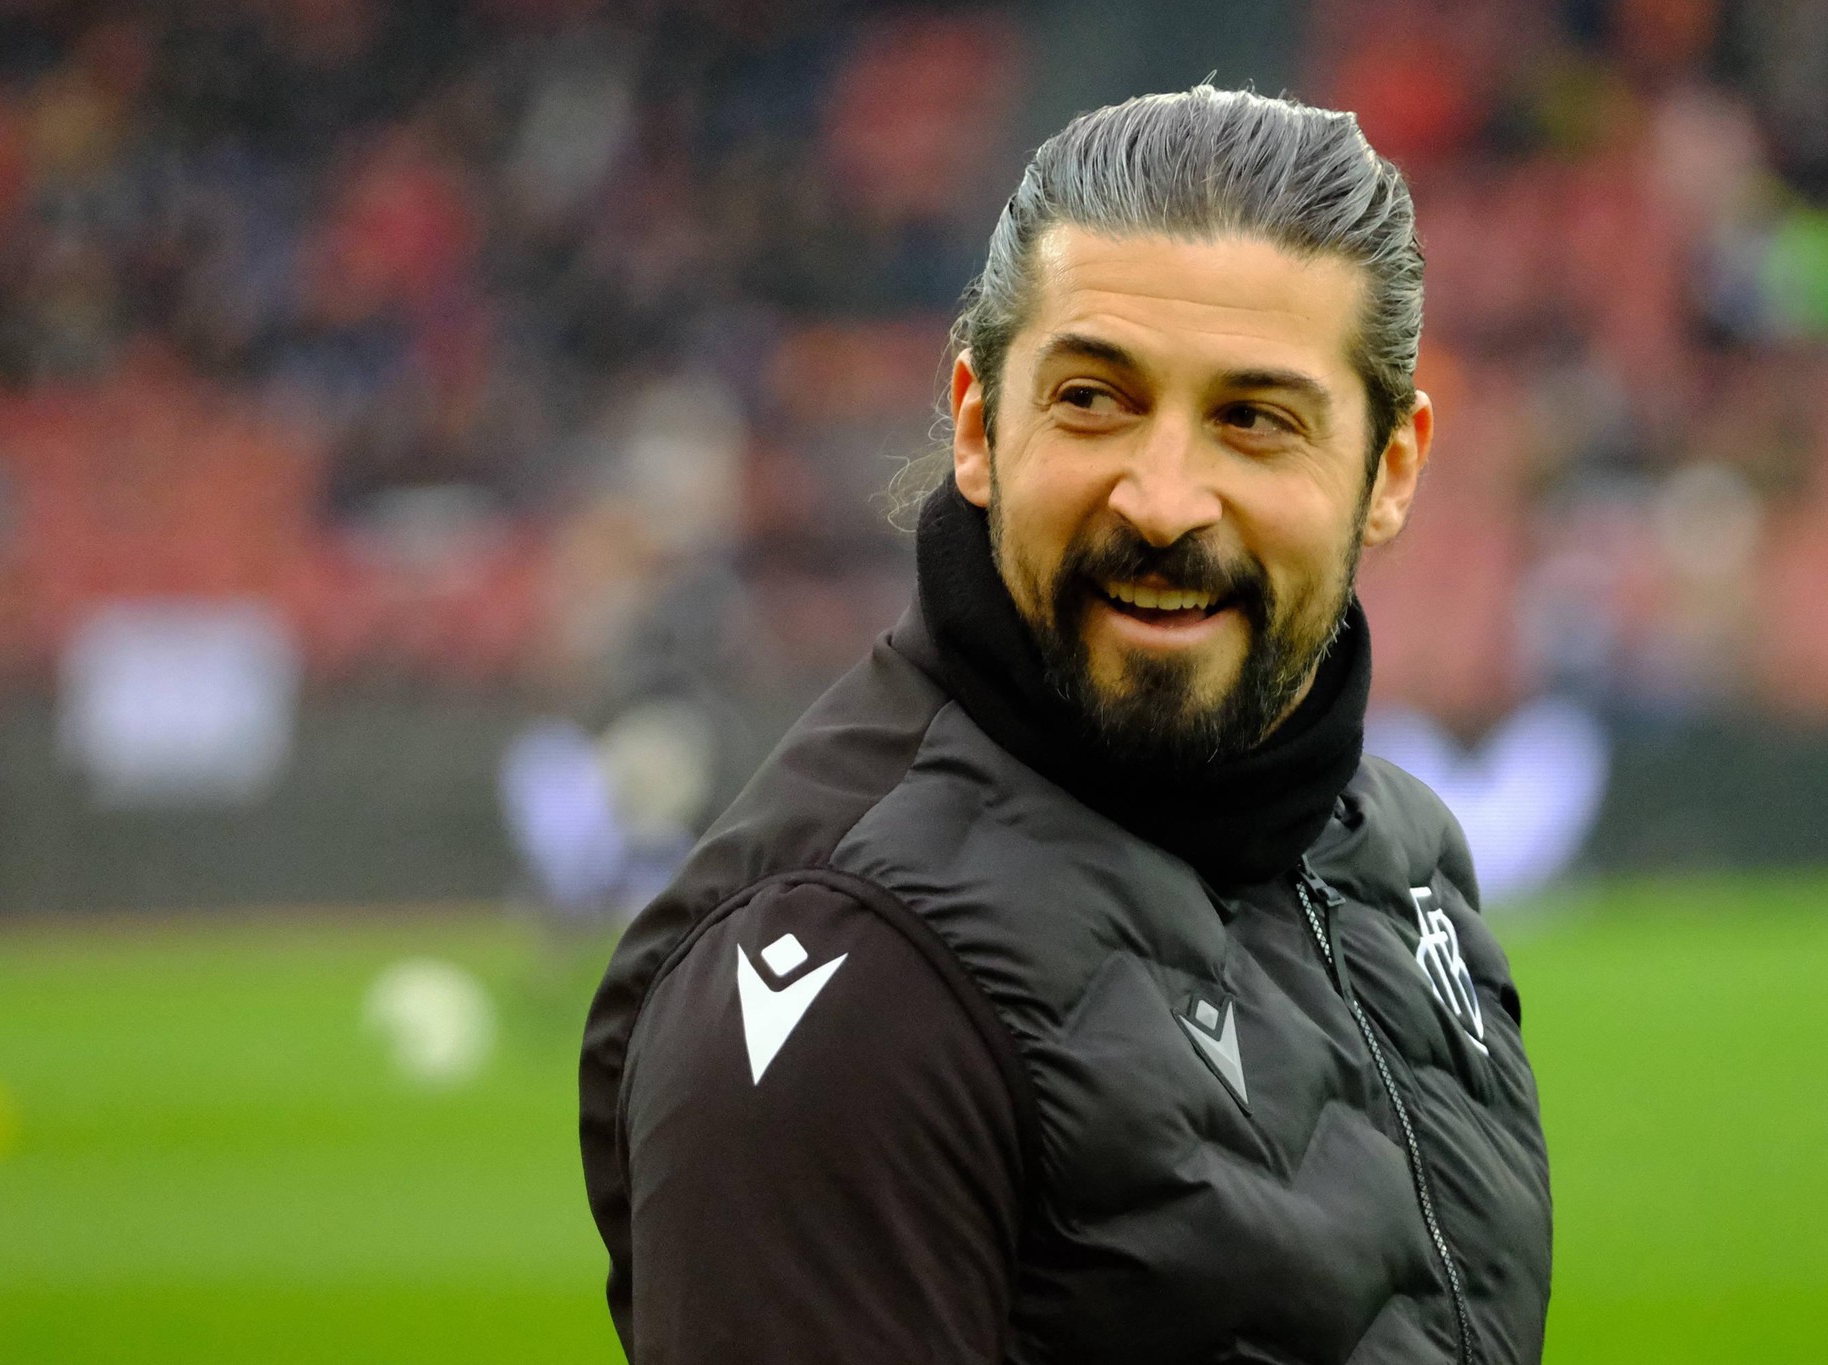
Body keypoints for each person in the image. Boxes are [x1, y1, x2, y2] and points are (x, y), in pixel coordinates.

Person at [579, 86, 1552, 1364]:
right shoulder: (849, 978)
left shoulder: (1399, 860)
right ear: (980, 427)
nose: (1159, 500)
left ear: (1391, 469)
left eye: (1253, 421)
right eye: (1092, 399)